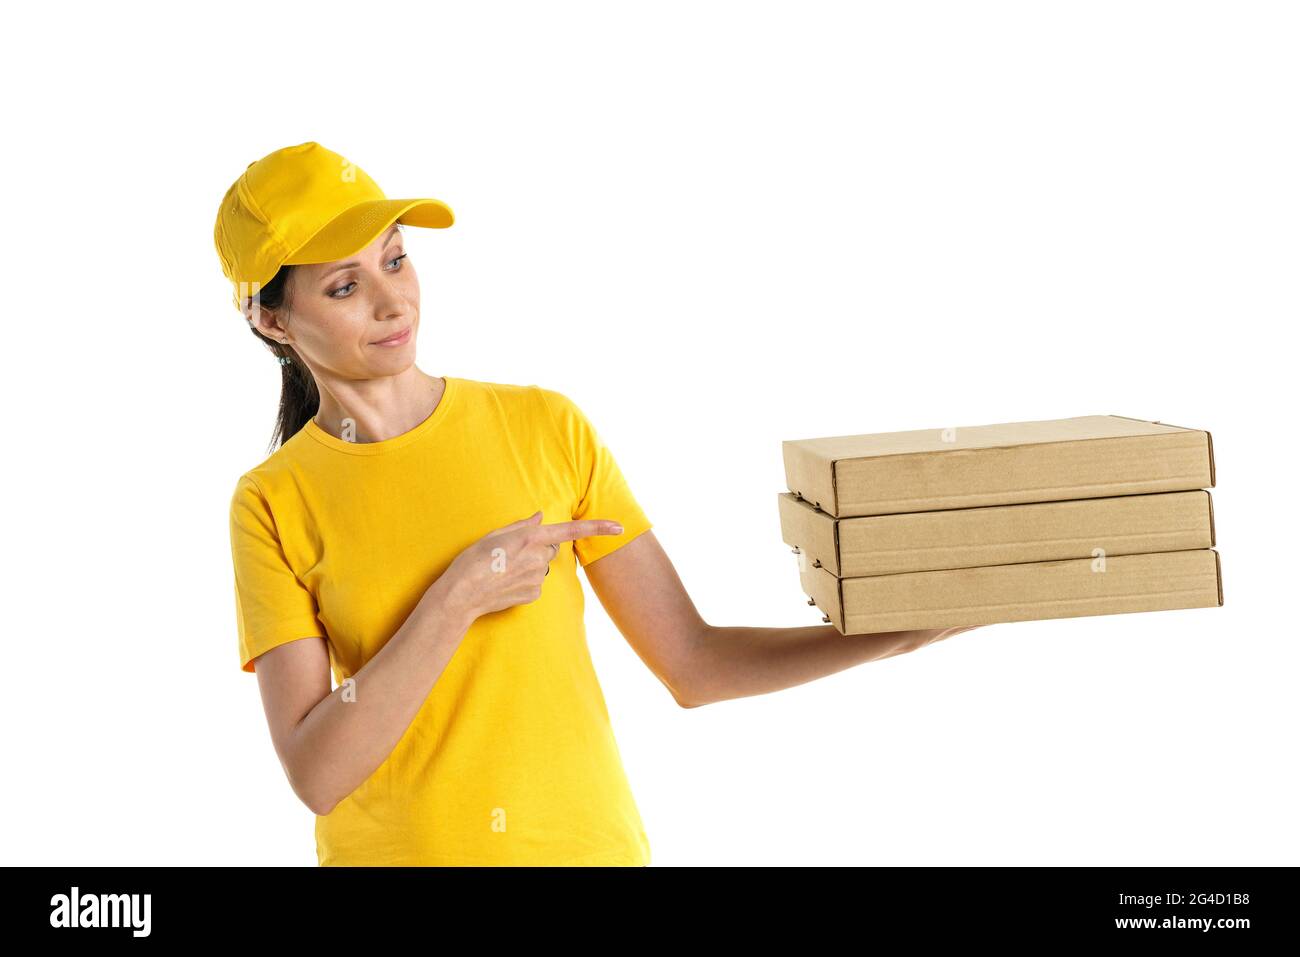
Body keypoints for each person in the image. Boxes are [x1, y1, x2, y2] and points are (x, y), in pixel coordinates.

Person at [216, 141, 979, 867]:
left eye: (396, 258)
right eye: (345, 286)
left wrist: (892, 637)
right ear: (272, 319)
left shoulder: (545, 426)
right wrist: (457, 598)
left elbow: (693, 664)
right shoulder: (272, 500)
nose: (392, 301)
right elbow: (317, 772)